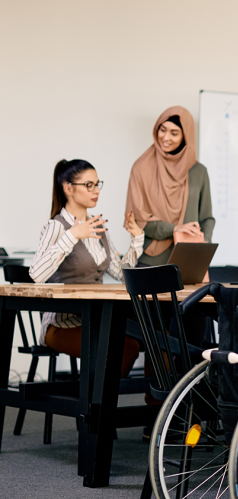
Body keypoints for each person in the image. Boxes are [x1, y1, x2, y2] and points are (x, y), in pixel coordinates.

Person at [30, 159, 142, 377]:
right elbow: (36, 274)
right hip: (61, 326)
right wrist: (72, 236)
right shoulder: (55, 226)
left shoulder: (97, 227)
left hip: (96, 319)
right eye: (89, 185)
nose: (96, 191)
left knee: (158, 338)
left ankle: (109, 402)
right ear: (68, 188)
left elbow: (121, 274)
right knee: (127, 348)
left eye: (97, 184)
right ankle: (97, 404)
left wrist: (137, 239)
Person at [125, 106, 214, 266]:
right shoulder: (141, 168)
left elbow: (206, 218)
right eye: (162, 129)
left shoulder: (198, 171)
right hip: (152, 262)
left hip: (188, 260)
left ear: (185, 136)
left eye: (174, 133)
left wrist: (203, 244)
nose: (166, 137)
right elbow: (137, 220)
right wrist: (175, 228)